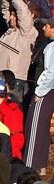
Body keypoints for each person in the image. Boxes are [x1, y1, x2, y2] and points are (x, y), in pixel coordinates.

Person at [25, 18, 54, 172]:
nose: (44, 28)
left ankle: (31, 165)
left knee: (35, 126)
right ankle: (40, 165)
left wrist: (39, 91)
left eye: (47, 26)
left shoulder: (52, 47)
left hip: (45, 91)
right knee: (41, 127)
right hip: (49, 91)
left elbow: (51, 72)